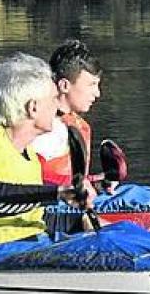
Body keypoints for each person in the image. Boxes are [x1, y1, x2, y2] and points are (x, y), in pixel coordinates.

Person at [0, 53, 96, 259]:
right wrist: (57, 193)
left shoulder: (28, 154)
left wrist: (78, 222)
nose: (58, 106)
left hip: (19, 251)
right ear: (33, 108)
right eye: (53, 99)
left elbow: (26, 219)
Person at [31, 40, 103, 188]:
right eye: (91, 85)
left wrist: (98, 182)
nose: (97, 93)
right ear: (64, 85)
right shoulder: (38, 128)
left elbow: (75, 181)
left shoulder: (80, 125)